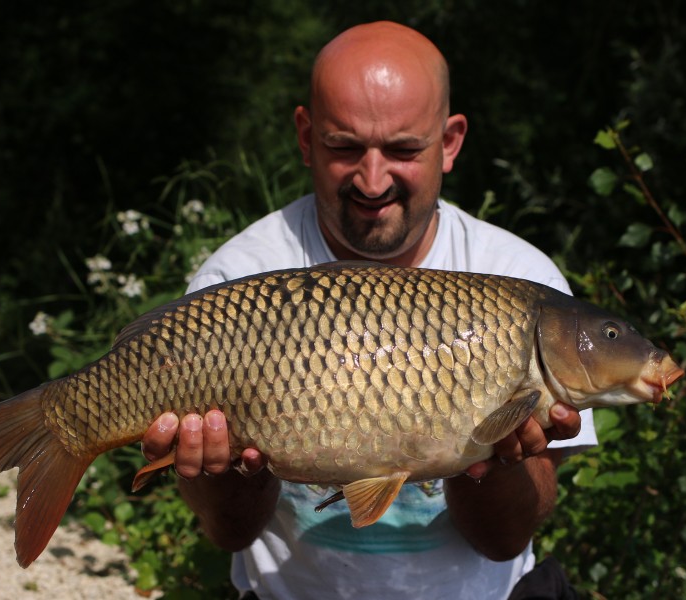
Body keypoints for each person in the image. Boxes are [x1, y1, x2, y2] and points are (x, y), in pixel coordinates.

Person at [141, 21, 595, 599]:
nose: (373, 179)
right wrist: (226, 468)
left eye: (404, 149)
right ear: (306, 136)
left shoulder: (521, 283)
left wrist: (497, 458)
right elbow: (230, 533)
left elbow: (504, 542)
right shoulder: (238, 280)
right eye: (344, 146)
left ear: (450, 142)